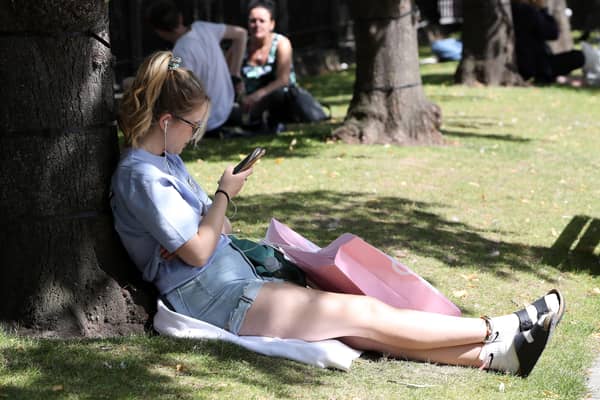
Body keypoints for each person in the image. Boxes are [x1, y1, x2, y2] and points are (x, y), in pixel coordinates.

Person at [112, 50, 566, 377]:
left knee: (357, 328)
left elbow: (215, 232)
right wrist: (223, 196)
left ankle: (494, 357)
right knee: (361, 313)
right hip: (214, 293)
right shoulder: (141, 176)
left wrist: (213, 216)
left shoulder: (165, 163)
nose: (195, 138)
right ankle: (498, 327)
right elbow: (196, 250)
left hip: (229, 280)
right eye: (193, 126)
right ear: (167, 120)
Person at [145, 0, 247, 132]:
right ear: (180, 17)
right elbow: (241, 33)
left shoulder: (178, 53)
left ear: (159, 31)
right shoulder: (203, 27)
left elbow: (173, 87)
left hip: (207, 121)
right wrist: (235, 73)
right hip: (227, 105)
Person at [240, 0, 325, 129]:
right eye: (253, 21)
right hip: (247, 104)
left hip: (278, 99)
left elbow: (283, 80)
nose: (257, 25)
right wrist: (242, 95)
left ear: (272, 24)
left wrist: (257, 96)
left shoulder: (281, 43)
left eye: (262, 21)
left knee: (278, 94)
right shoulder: (241, 46)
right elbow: (231, 75)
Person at [511, 0, 600, 85]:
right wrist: (542, 9)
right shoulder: (525, 10)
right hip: (536, 66)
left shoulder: (517, 9)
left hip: (533, 63)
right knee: (579, 56)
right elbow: (552, 32)